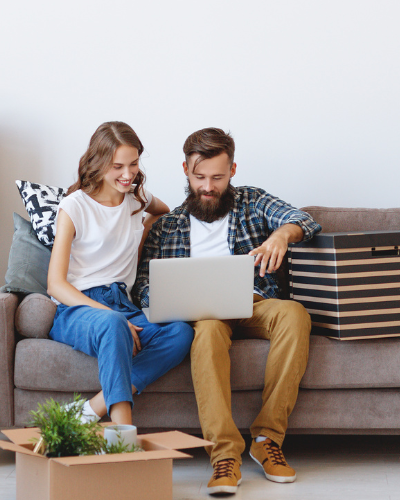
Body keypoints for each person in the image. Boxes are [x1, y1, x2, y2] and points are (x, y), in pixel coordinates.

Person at [133, 127, 321, 496]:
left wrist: (282, 234)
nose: (208, 186)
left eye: (217, 177)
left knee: (295, 314)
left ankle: (267, 439)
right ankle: (224, 454)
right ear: (185, 170)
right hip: (203, 313)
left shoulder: (252, 201)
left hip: (254, 302)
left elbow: (304, 220)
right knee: (205, 333)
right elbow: (143, 286)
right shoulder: (167, 227)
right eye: (199, 177)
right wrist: (167, 300)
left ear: (232, 170)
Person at [46, 121, 194, 427]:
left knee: (181, 332)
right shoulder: (74, 207)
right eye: (117, 166)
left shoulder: (136, 200)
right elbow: (55, 284)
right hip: (78, 308)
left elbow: (164, 212)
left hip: (123, 304)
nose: (128, 175)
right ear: (99, 163)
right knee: (114, 323)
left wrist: (145, 233)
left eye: (134, 164)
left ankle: (91, 409)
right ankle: (122, 433)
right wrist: (112, 316)